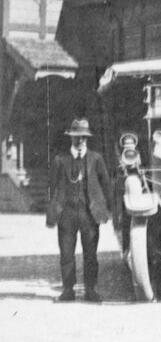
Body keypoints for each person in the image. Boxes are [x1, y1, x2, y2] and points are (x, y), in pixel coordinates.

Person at [46, 117, 112, 303]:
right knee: (66, 255)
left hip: (89, 215)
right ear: (71, 138)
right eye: (77, 137)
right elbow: (52, 186)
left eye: (83, 137)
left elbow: (106, 185)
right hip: (66, 214)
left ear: (87, 138)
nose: (80, 140)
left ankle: (91, 290)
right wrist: (54, 209)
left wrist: (106, 209)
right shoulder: (60, 160)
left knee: (90, 255)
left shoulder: (96, 159)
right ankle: (68, 291)